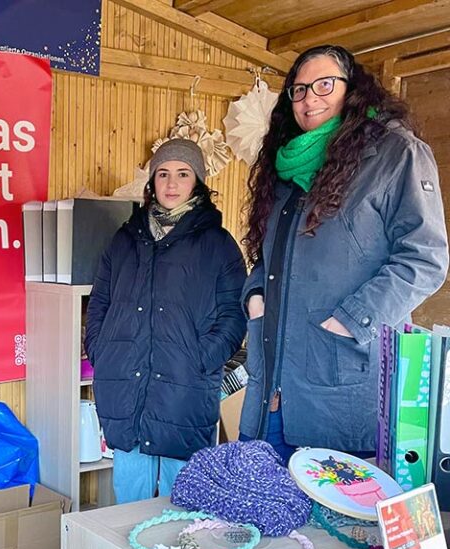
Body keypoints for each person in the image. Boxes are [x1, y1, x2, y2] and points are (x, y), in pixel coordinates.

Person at [239, 45, 449, 463]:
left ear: (352, 91)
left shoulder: (394, 154)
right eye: (298, 91)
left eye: (324, 84)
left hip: (340, 380)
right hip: (272, 386)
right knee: (265, 513)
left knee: (334, 522)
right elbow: (270, 257)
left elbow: (425, 257)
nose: (309, 98)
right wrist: (254, 295)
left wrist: (352, 320)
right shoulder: (287, 171)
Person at [85, 138, 247, 504]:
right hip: (126, 385)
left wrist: (203, 359)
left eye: (183, 174)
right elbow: (100, 302)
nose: (172, 184)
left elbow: (234, 312)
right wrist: (100, 351)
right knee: (129, 503)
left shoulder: (218, 244)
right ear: (152, 182)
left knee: (181, 506)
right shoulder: (125, 239)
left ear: (198, 183)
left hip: (184, 388)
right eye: (163, 173)